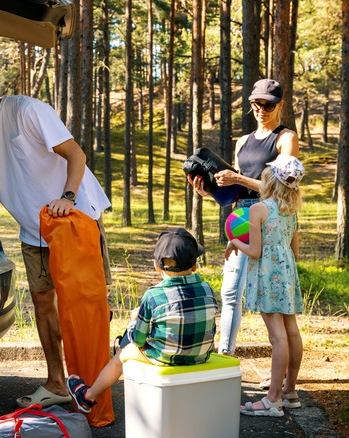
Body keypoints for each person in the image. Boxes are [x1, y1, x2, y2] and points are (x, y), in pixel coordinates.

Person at [0, 68, 112, 408]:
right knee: (43, 305)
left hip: (75, 219)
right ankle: (57, 382)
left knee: (87, 307)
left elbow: (76, 155)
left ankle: (97, 386)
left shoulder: (27, 110)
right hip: (34, 232)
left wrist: (67, 197)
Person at [187, 78, 300, 367]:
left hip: (271, 216)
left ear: (280, 105)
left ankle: (282, 383)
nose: (262, 110)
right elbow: (236, 192)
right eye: (256, 104)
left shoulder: (285, 138)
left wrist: (237, 177)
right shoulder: (242, 142)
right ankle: (226, 356)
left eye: (269, 105)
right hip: (240, 215)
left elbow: (284, 187)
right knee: (231, 291)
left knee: (273, 305)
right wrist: (209, 190)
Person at [66, 228, 217, 413]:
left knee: (121, 356)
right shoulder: (207, 289)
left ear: (157, 266)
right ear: (194, 267)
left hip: (165, 359)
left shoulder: (153, 295)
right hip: (201, 356)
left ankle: (88, 397)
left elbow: (138, 339)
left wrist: (132, 320)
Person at [225, 154, 305, 417]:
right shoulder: (290, 210)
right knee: (291, 331)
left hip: (268, 275)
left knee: (277, 337)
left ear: (270, 178)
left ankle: (273, 399)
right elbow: (295, 251)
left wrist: (235, 243)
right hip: (287, 273)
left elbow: (256, 251)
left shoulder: (259, 209)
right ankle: (290, 392)